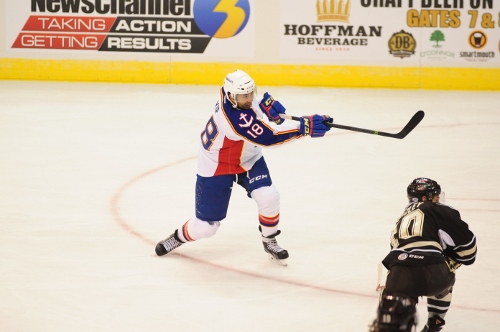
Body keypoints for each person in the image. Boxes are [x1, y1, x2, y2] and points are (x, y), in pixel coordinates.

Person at [155, 69, 333, 265]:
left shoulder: (231, 94)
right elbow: (269, 136)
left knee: (268, 196)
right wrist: (304, 127)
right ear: (232, 96)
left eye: (251, 93)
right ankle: (178, 237)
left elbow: (257, 111)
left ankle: (269, 239)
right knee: (207, 227)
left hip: (248, 158)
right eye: (244, 96)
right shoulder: (234, 119)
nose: (249, 99)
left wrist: (267, 110)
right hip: (217, 165)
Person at [369, 177, 477, 332]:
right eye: (436, 197)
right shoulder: (438, 210)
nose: (438, 200)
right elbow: (469, 251)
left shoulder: (400, 221)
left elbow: (397, 255)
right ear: (425, 198)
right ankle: (435, 322)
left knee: (390, 321)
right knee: (446, 263)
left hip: (400, 279)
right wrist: (450, 260)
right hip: (435, 275)